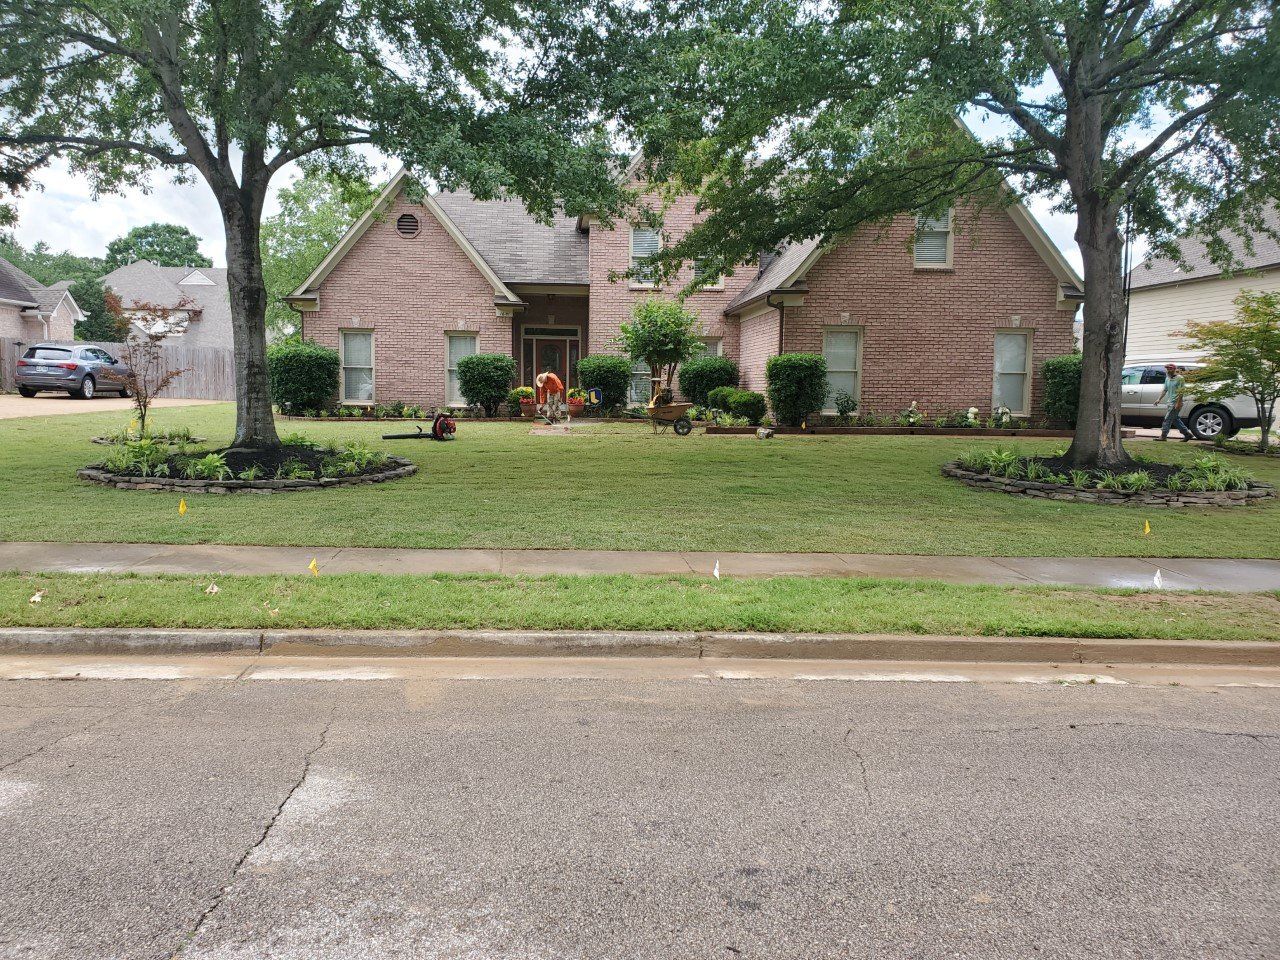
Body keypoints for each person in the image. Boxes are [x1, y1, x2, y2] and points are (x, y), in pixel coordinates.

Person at [1156, 362, 1194, 441]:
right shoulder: (1167, 378)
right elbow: (1165, 390)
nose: (1168, 370)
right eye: (1167, 368)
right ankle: (1187, 434)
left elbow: (1181, 391)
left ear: (1174, 369)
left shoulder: (1180, 378)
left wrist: (1178, 403)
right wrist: (1159, 399)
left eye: (1170, 368)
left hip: (1176, 403)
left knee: (1167, 419)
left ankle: (1163, 436)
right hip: (1170, 402)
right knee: (1175, 419)